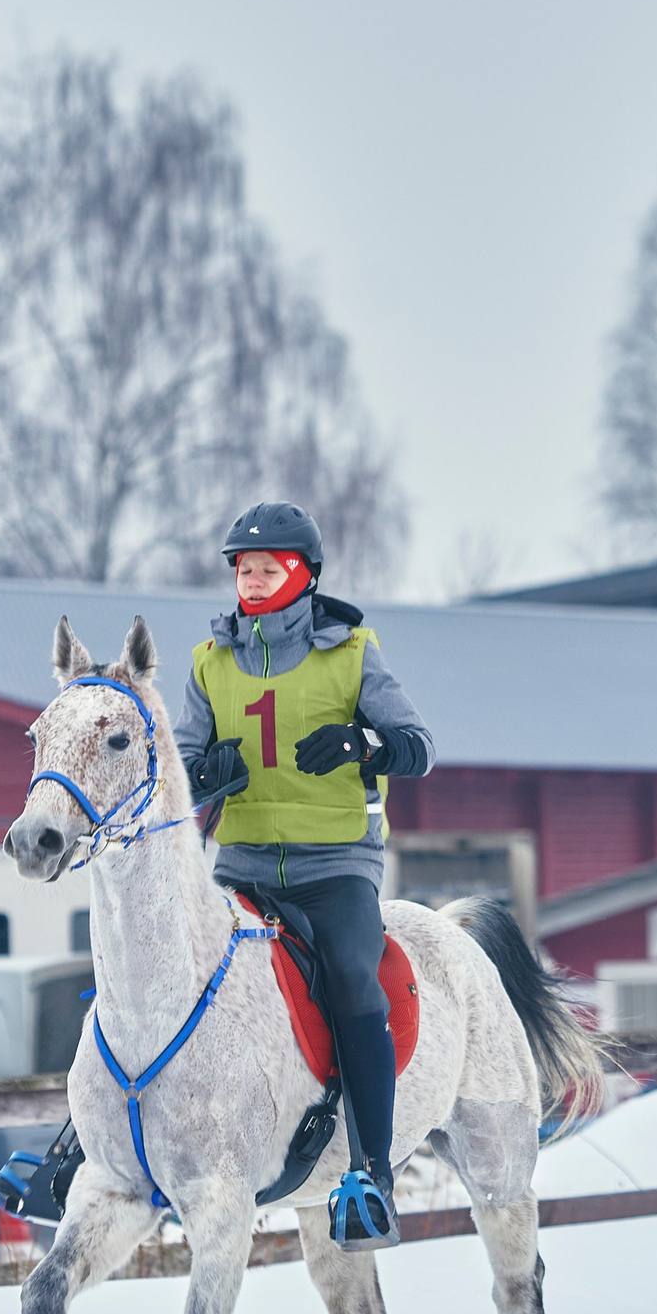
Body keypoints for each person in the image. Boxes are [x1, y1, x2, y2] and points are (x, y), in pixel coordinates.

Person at [176, 502, 436, 1250]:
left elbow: (418, 747)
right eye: (244, 569)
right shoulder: (208, 662)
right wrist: (204, 774)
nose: (253, 580)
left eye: (269, 568)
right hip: (242, 868)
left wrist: (361, 743)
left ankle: (371, 1177)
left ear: (304, 575)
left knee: (354, 979)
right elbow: (179, 772)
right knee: (167, 971)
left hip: (337, 865)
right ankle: (84, 1151)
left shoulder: (352, 653)